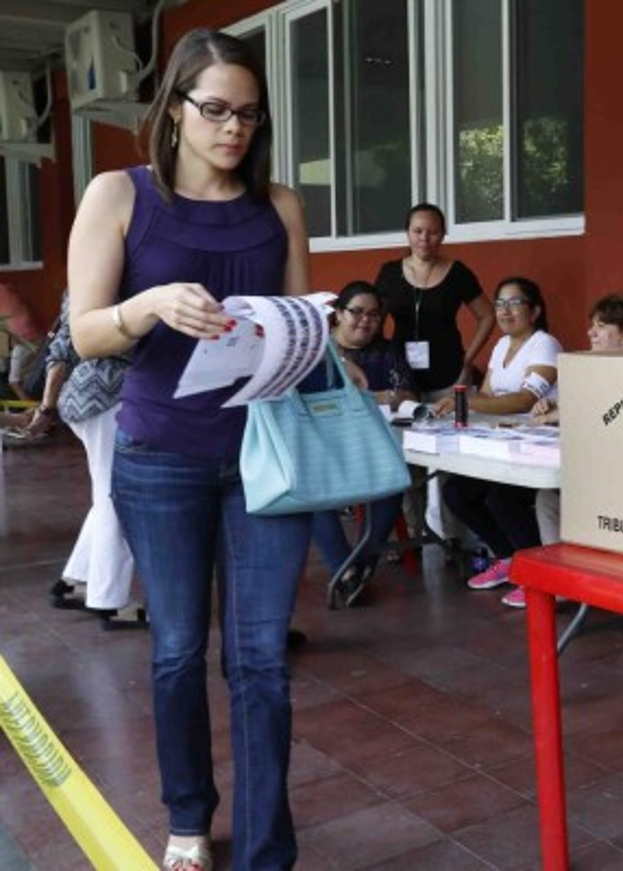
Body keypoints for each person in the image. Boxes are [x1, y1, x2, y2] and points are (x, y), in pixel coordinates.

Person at [67, 29, 312, 871]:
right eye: (215, 109)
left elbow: (300, 325)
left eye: (249, 113)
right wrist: (151, 305)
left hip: (265, 457)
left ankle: (267, 850)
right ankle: (186, 820)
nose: (234, 127)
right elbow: (85, 332)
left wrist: (305, 339)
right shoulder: (119, 194)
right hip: (160, 454)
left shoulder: (278, 206)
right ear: (174, 108)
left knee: (261, 661)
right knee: (176, 650)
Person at [435, 277, 561, 609]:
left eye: (514, 303)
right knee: (456, 492)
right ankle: (509, 559)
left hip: (538, 447)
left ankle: (537, 574)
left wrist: (465, 401)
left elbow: (524, 400)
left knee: (501, 499)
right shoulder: (502, 345)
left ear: (535, 311)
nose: (505, 311)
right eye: (500, 304)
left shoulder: (545, 344)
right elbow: (488, 396)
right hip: (503, 443)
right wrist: (469, 403)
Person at [376, 203, 495, 547]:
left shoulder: (457, 272)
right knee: (406, 459)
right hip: (403, 380)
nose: (424, 238)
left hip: (448, 375)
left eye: (432, 232)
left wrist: (468, 361)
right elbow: (374, 319)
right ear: (407, 233)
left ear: (443, 235)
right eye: (418, 231)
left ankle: (452, 538)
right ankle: (413, 536)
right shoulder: (389, 272)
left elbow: (487, 316)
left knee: (449, 459)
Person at [39, 292, 142, 628]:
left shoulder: (83, 283)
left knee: (107, 495)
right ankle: (109, 601)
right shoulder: (130, 276)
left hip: (85, 397)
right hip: (111, 397)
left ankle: (76, 581)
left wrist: (47, 406)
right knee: (119, 498)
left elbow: (60, 346)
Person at [310, 280, 415, 608]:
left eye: (373, 314)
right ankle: (346, 573)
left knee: (392, 485)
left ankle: (358, 568)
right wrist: (376, 396)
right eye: (356, 312)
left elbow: (406, 393)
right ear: (339, 313)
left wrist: (367, 396)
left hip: (372, 446)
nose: (365, 320)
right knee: (314, 495)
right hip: (323, 448)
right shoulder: (318, 351)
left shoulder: (387, 351)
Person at [530, 292, 623, 546]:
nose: (590, 332)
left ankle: (560, 568)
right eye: (592, 325)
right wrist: (553, 405)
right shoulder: (600, 363)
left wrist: (560, 414)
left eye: (601, 326)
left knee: (547, 498)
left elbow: (609, 412)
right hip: (600, 468)